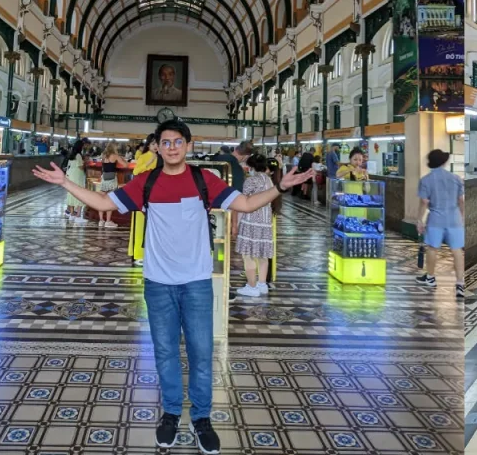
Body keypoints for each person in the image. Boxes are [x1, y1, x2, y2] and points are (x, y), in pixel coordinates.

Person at [32, 120, 312, 455]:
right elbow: (105, 203)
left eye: (178, 141)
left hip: (195, 282)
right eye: (166, 142)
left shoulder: (204, 180)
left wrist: (280, 186)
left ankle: (202, 418)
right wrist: (65, 182)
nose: (172, 147)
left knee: (201, 353)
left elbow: (248, 205)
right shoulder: (145, 182)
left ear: (188, 145)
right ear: (158, 147)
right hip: (158, 283)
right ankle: (171, 413)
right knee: (164, 353)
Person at [415, 150, 466, 298]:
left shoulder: (426, 180)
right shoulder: (456, 178)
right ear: (444, 162)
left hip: (436, 219)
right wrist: (461, 216)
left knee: (432, 249)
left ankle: (430, 277)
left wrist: (420, 220)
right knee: (457, 251)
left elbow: (424, 202)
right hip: (454, 219)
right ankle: (460, 284)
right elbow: (461, 200)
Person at [235, 154, 279, 298]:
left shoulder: (251, 181)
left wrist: (236, 223)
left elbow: (244, 203)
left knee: (248, 256)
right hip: (265, 222)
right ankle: (262, 284)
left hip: (251, 221)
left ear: (252, 167)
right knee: (262, 255)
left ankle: (252, 286)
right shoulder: (269, 180)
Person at [128, 134, 160, 267]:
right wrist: (148, 163)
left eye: (157, 144)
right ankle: (138, 254)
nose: (155, 147)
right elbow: (136, 171)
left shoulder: (159, 157)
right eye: (153, 144)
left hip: (153, 193)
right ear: (148, 145)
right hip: (142, 193)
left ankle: (146, 253)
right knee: (140, 223)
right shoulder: (144, 156)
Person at [99, 142, 128, 228]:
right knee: (111, 200)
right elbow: (125, 165)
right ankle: (108, 221)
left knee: (101, 199)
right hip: (112, 179)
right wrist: (123, 159)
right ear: (114, 147)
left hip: (104, 178)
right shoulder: (115, 155)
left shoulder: (103, 155)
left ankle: (101, 221)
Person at [64, 138, 89, 224]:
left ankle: (71, 215)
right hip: (77, 176)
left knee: (71, 194)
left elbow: (69, 166)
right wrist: (85, 162)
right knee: (80, 193)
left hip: (70, 175)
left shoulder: (71, 154)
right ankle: (78, 215)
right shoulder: (78, 155)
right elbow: (80, 167)